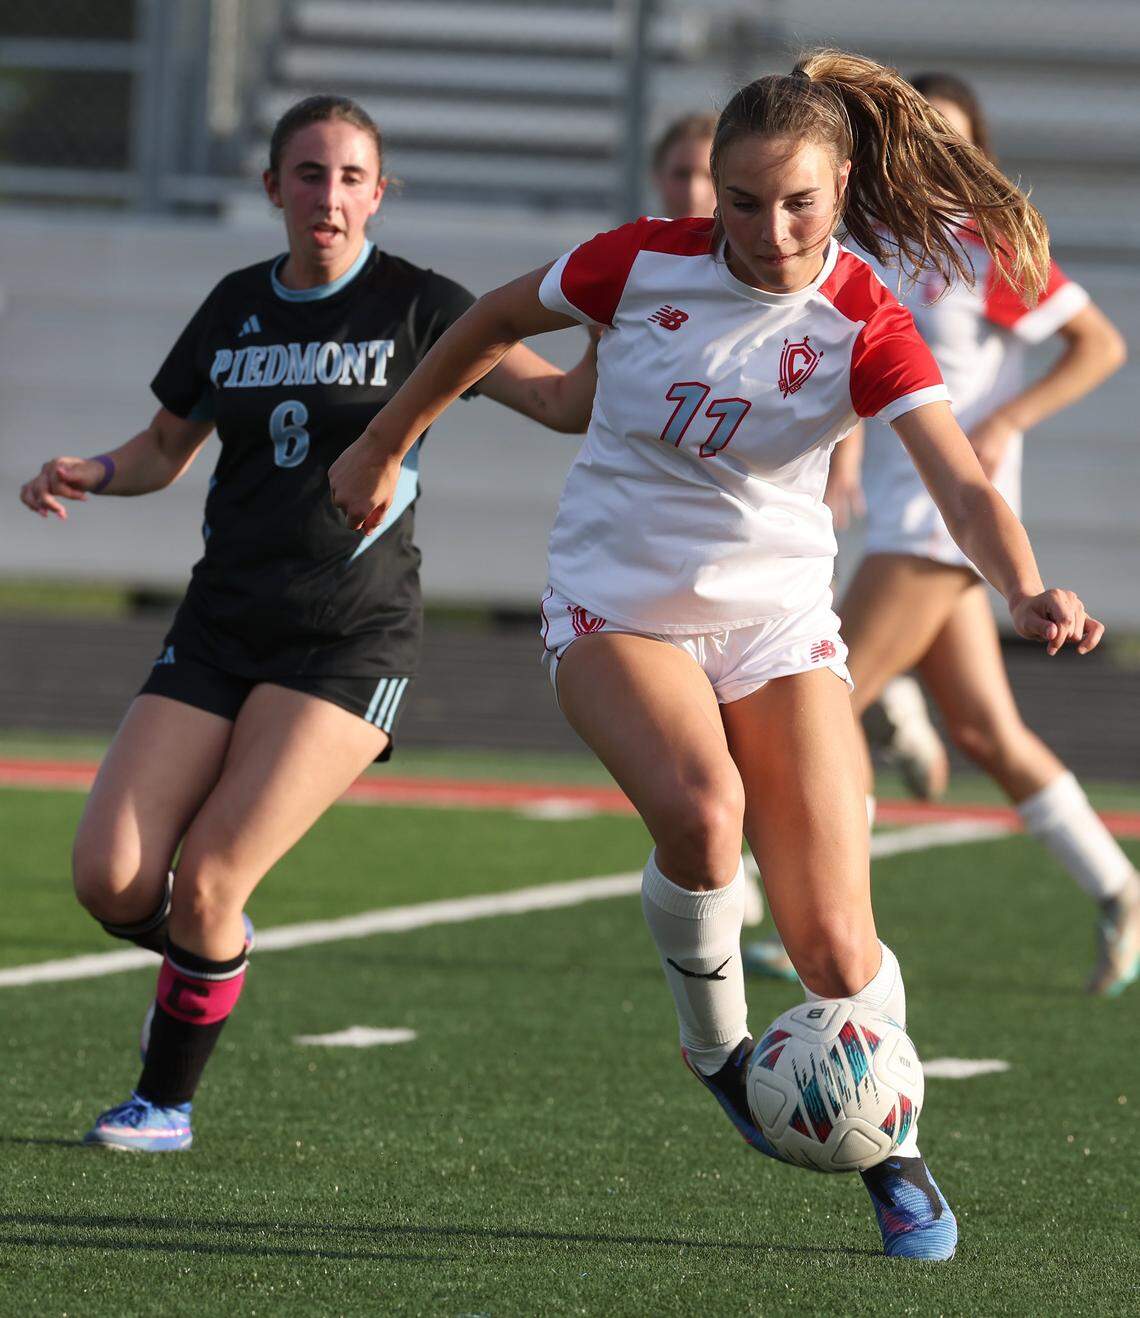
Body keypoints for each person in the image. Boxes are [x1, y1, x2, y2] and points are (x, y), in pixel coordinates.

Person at [328, 50, 1104, 1261]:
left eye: (797, 202)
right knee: (703, 811)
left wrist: (1025, 583)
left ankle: (892, 1147)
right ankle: (719, 1053)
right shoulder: (636, 261)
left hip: (779, 626)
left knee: (839, 948)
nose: (769, 229)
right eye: (742, 202)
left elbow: (960, 479)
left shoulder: (866, 318)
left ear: (841, 187)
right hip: (613, 607)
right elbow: (487, 320)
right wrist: (384, 441)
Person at [18, 94, 598, 1153]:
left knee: (209, 881)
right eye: (307, 172)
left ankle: (164, 1100)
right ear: (274, 186)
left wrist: (620, 320)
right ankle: (214, 954)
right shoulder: (236, 303)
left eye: (349, 176)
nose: (327, 195)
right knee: (109, 876)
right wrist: (92, 472)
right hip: (219, 623)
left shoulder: (424, 306)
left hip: (347, 639)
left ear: (380, 193)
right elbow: (162, 448)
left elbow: (560, 404)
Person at [824, 72, 1137, 997]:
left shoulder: (984, 249)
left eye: (953, 141)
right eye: (919, 137)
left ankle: (815, 911)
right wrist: (843, 454)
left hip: (944, 518)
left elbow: (1102, 345)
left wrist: (1006, 422)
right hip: (895, 504)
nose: (934, 157)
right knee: (988, 730)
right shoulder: (871, 243)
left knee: (821, 706)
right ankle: (1118, 886)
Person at [651, 111, 717, 222]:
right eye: (681, 175)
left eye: (710, 176)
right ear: (657, 177)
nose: (693, 192)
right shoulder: (628, 238)